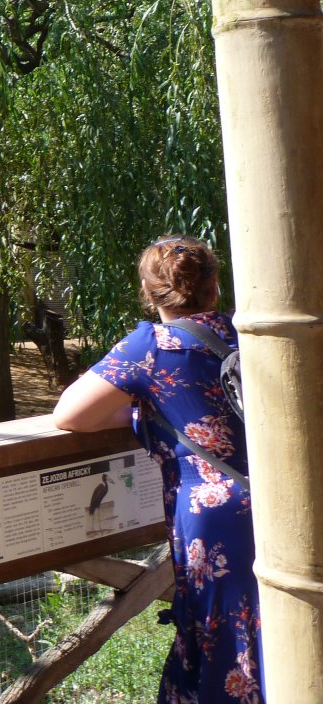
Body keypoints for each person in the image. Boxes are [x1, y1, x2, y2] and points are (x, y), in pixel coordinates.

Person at [53, 235, 262, 703]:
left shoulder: (149, 346)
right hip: (281, 501)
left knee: (221, 641)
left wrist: (140, 410)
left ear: (149, 294)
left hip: (214, 521)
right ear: (214, 287)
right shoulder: (249, 331)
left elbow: (69, 414)